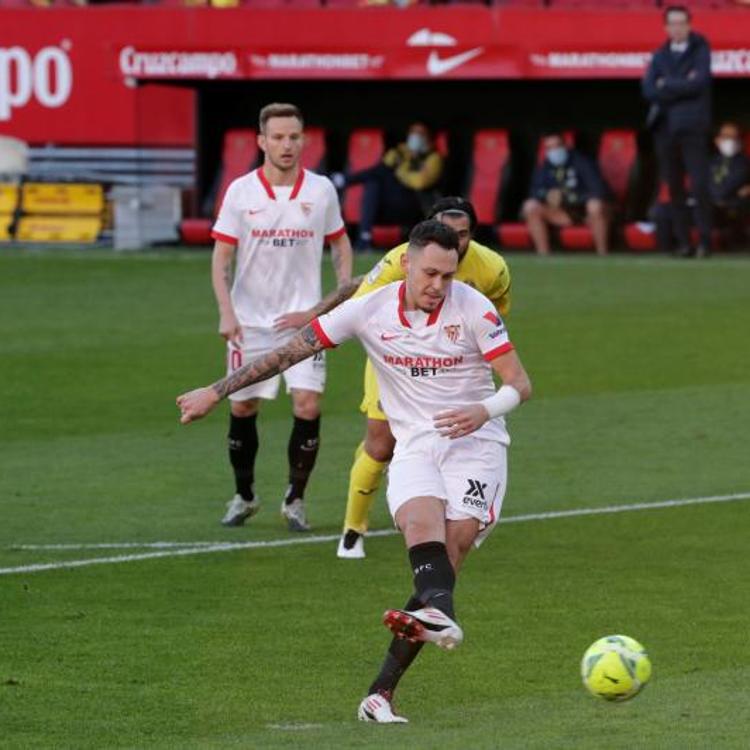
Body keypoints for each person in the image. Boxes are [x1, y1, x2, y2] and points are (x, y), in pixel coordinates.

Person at [177, 220, 532, 723]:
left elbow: (520, 383)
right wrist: (216, 390)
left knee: (454, 544)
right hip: (416, 443)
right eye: (430, 273)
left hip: (477, 443)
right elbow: (291, 350)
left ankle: (411, 646)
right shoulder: (369, 308)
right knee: (418, 525)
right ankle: (399, 668)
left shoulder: (475, 309)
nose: (438, 286)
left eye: (448, 276)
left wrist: (485, 409)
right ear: (406, 263)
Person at [279, 197, 512, 559]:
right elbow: (357, 298)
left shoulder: (493, 268)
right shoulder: (398, 259)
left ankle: (431, 518)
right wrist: (314, 314)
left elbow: (496, 315)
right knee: (380, 443)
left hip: (451, 368)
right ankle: (353, 529)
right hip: (395, 357)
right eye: (446, 232)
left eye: (462, 234)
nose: (454, 240)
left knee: (449, 441)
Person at [210, 102, 352, 532]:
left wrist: (334, 302)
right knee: (243, 404)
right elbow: (222, 256)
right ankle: (245, 494)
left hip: (305, 322)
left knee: (307, 405)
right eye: (277, 137)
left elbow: (340, 245)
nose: (286, 145)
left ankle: (295, 500)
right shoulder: (240, 191)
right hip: (250, 323)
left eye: (293, 137)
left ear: (303, 140)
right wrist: (226, 312)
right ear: (261, 142)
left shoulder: (321, 190)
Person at [642, 5, 713, 258]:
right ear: (666, 27)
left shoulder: (701, 48)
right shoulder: (660, 55)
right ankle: (684, 243)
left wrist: (667, 84)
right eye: (672, 23)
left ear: (689, 25)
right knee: (674, 188)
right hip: (665, 131)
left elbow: (700, 83)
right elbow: (649, 89)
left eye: (681, 22)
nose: (677, 28)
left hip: (693, 129)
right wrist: (683, 83)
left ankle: (705, 241)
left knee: (700, 185)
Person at [334, 122, 444, 251]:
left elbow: (420, 183)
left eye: (420, 133)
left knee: (377, 178)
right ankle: (364, 238)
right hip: (391, 207)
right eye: (412, 133)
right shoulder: (402, 151)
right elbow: (381, 169)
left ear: (429, 137)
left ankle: (344, 181)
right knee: (374, 181)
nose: (415, 137)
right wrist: (401, 157)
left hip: (415, 208)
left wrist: (401, 170)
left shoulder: (434, 158)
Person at [522, 133, 610, 255]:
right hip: (564, 213)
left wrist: (567, 196)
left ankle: (602, 253)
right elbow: (534, 191)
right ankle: (543, 256)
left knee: (595, 205)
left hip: (585, 212)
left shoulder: (581, 161)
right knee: (530, 206)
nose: (554, 151)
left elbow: (599, 190)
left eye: (557, 146)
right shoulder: (545, 166)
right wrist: (547, 195)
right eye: (549, 148)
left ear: (565, 145)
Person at [710, 121, 750, 243]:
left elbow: (736, 181)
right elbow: (705, 184)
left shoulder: (744, 163)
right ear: (717, 140)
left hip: (735, 203)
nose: (731, 140)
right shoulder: (709, 162)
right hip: (712, 202)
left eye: (734, 137)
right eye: (726, 137)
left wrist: (720, 198)